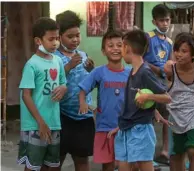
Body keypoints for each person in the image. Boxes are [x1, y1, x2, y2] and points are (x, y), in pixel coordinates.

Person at [115, 29, 171, 171]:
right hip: (126, 128)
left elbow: (167, 97)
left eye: (121, 45)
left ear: (127, 47)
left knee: (144, 166)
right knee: (123, 166)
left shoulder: (145, 72)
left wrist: (148, 96)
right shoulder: (132, 71)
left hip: (141, 130)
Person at [17, 17, 67, 171]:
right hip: (35, 125)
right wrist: (40, 122)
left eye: (57, 38)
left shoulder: (58, 61)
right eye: (51, 39)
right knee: (33, 165)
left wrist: (63, 88)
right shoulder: (32, 64)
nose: (55, 43)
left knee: (51, 165)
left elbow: (63, 83)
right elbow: (26, 95)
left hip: (53, 122)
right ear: (38, 40)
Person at [79, 30, 131, 171]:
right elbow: (83, 90)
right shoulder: (98, 72)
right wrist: (83, 103)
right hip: (105, 127)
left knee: (125, 165)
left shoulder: (131, 73)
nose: (115, 49)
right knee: (108, 165)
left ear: (125, 49)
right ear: (103, 51)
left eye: (119, 45)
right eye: (110, 46)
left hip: (125, 127)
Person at [53, 10, 95, 171]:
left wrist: (92, 71)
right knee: (57, 159)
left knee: (82, 159)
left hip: (83, 115)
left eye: (77, 35)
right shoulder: (55, 57)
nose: (75, 40)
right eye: (70, 36)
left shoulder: (83, 55)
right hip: (61, 116)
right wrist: (69, 66)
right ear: (59, 36)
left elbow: (90, 82)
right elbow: (52, 81)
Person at [164, 32, 194, 171]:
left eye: (184, 51)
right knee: (177, 154)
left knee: (193, 151)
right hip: (176, 116)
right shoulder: (170, 70)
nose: (179, 54)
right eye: (176, 50)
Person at [143, 4, 173, 165]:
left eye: (167, 20)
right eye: (161, 21)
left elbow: (171, 64)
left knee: (166, 117)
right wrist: (159, 71)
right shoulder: (147, 37)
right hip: (148, 83)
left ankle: (165, 151)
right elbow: (141, 60)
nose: (165, 24)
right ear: (154, 22)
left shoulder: (169, 42)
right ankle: (149, 154)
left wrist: (168, 80)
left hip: (163, 85)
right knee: (149, 118)